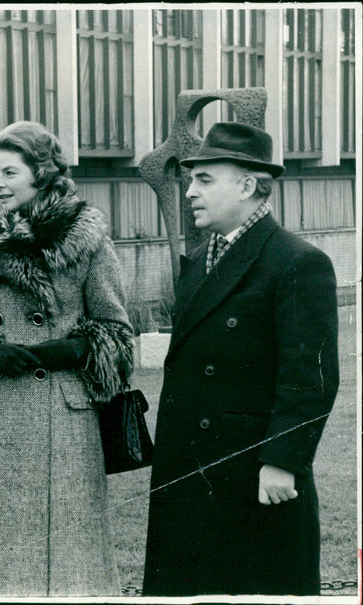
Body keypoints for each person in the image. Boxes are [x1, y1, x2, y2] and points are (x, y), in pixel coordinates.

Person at [0, 121, 134, 596]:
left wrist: (73, 348)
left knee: (70, 547)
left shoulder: (88, 239)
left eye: (10, 173)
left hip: (64, 413)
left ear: (41, 174)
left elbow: (118, 332)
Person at [142, 122, 339, 596]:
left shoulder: (297, 261)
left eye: (205, 180)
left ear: (248, 185)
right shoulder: (197, 259)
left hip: (253, 473)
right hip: (188, 471)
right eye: (191, 179)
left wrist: (283, 461)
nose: (190, 191)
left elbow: (309, 378)